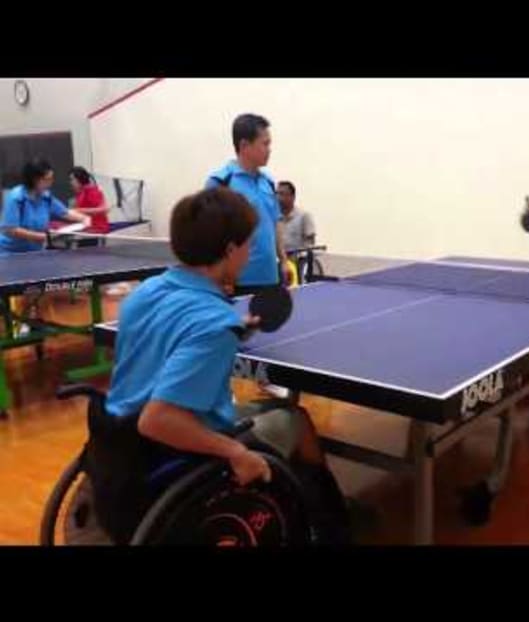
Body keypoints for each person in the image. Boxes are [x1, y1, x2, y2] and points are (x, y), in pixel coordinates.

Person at [97, 187, 348, 544]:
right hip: (170, 447)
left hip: (120, 445)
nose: (250, 252)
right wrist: (236, 452)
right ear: (230, 250)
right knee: (297, 419)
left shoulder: (146, 292)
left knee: (272, 409)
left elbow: (169, 337)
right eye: (248, 244)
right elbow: (158, 419)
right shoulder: (213, 323)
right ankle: (329, 526)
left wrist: (239, 326)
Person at [205, 113, 291, 292]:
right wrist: (220, 277)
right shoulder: (221, 182)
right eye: (265, 144)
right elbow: (209, 236)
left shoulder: (268, 181)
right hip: (236, 282)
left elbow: (274, 224)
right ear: (244, 145)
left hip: (270, 277)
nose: (270, 149)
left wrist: (283, 261)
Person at [0, 158, 90, 254]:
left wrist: (84, 218)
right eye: (47, 179)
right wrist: (43, 237)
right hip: (9, 254)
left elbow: (65, 212)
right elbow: (11, 230)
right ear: (35, 179)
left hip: (34, 252)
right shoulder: (16, 197)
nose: (51, 182)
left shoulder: (46, 197)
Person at [69, 166, 109, 237]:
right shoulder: (81, 192)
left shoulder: (91, 191)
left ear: (80, 179)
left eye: (72, 179)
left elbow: (104, 209)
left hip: (96, 231)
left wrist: (79, 210)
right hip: (87, 229)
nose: (70, 182)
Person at [277, 181, 316, 251]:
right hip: (277, 259)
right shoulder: (273, 218)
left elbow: (310, 243)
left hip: (298, 259)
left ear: (292, 197)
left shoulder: (304, 216)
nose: (279, 198)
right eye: (277, 194)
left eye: (282, 194)